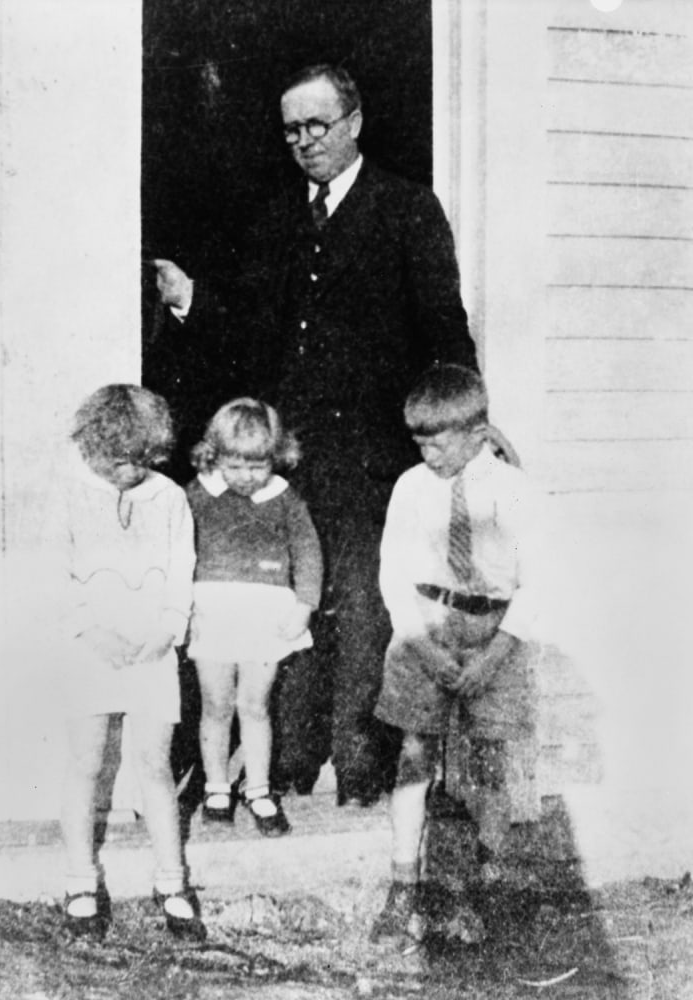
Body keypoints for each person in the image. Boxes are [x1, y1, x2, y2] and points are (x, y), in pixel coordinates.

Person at [151, 63, 489, 806]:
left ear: (355, 122)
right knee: (285, 609)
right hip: (288, 458)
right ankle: (292, 766)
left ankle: (360, 770)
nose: (304, 142)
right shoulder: (276, 218)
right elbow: (245, 328)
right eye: (292, 130)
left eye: (318, 125)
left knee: (364, 609)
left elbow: (442, 326)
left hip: (370, 459)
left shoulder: (406, 209)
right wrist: (191, 301)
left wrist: (465, 424)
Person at [370, 365, 539, 943]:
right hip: (426, 627)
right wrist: (424, 647)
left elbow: (539, 583)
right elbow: (393, 574)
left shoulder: (514, 491)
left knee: (489, 763)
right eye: (418, 441)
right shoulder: (411, 488)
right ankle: (403, 886)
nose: (427, 452)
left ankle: (495, 878)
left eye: (437, 441)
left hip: (495, 633)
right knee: (414, 759)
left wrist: (494, 656)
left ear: (477, 432)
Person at [54, 384, 205, 941]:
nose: (132, 472)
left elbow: (180, 567)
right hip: (88, 650)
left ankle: (171, 882)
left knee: (154, 768)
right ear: (92, 447)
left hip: (151, 651)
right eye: (120, 461)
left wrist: (168, 629)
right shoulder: (69, 492)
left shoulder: (168, 498)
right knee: (86, 765)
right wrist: (90, 630)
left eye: (144, 461)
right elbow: (55, 573)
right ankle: (79, 881)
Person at [186, 398, 323, 836]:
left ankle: (259, 789)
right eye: (235, 465)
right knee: (216, 704)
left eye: (257, 465)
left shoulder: (284, 499)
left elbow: (307, 553)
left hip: (265, 612)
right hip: (211, 610)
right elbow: (175, 550)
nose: (247, 476)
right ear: (215, 455)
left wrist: (304, 605)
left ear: (275, 457)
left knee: (255, 705)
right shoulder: (197, 495)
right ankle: (216, 786)